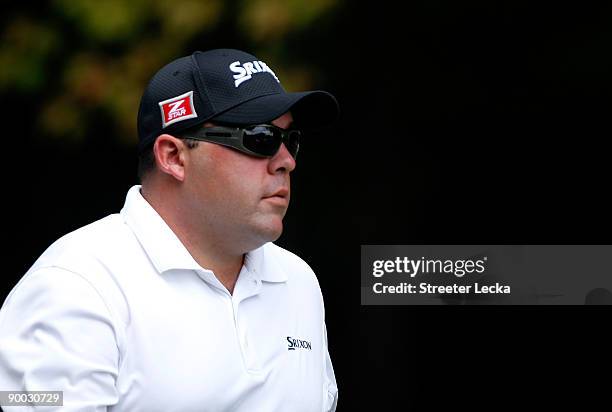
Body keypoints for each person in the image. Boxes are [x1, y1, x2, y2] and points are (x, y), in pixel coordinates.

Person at [0, 49, 339, 411]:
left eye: (291, 141)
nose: (286, 160)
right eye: (261, 137)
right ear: (174, 157)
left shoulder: (298, 281)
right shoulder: (76, 284)